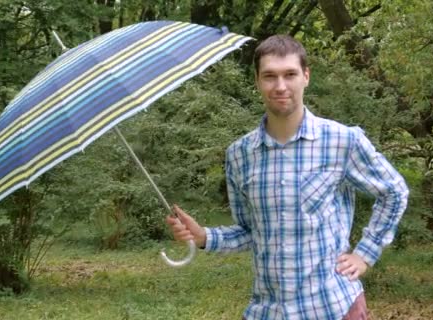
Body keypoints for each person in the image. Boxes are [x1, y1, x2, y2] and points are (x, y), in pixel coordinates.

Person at [166, 35, 409, 320]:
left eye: (290, 74)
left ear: (306, 76)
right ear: (257, 81)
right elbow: (251, 231)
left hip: (333, 306)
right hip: (268, 311)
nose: (280, 86)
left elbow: (394, 191)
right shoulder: (239, 155)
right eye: (270, 76)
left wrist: (365, 253)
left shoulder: (342, 141)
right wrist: (204, 236)